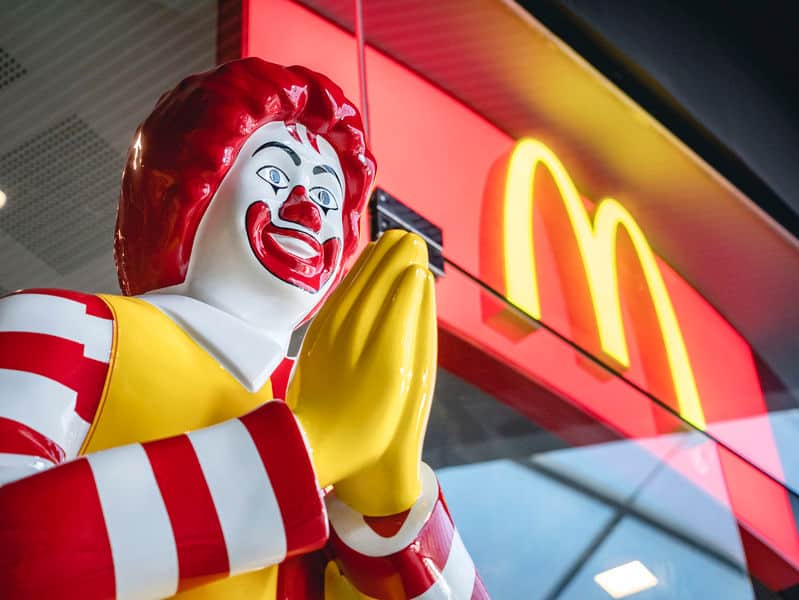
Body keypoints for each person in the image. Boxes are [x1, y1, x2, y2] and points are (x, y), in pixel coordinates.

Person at [0, 58, 488, 599]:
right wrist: (312, 446)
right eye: (276, 175)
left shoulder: (335, 400)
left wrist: (390, 508)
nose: (307, 211)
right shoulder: (66, 330)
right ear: (183, 197)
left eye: (328, 198)